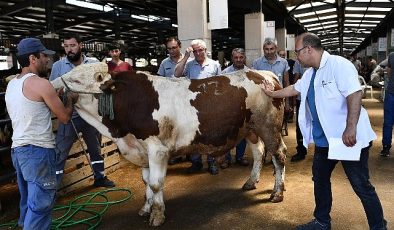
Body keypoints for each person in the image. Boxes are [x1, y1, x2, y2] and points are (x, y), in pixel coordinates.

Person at [261, 32, 387, 230]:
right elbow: (295, 88)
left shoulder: (339, 65)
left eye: (297, 52)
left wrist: (350, 127)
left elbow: (354, 94)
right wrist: (272, 93)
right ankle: (321, 221)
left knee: (360, 184)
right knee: (320, 179)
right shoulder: (311, 72)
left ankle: (378, 226)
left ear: (308, 49)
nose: (296, 57)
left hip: (347, 139)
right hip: (324, 141)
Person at [5, 38, 78, 229]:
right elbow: (64, 118)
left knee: (28, 201)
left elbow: (31, 108)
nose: (48, 60)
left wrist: (54, 96)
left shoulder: (12, 85)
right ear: (32, 58)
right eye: (44, 56)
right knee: (41, 206)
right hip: (38, 152)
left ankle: (24, 224)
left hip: (18, 151)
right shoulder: (41, 84)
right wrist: (70, 100)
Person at [50, 34, 115, 188]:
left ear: (81, 45)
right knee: (60, 152)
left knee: (95, 149)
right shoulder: (58, 67)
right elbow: (52, 90)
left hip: (91, 116)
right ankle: (53, 186)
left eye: (72, 45)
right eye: (66, 46)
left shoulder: (94, 64)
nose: (69, 49)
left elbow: (104, 86)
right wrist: (61, 94)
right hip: (69, 116)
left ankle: (100, 177)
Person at [174, 39, 221, 175]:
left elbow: (221, 85)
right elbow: (177, 74)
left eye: (201, 50)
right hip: (193, 107)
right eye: (195, 51)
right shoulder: (188, 65)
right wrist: (186, 56)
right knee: (194, 135)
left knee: (211, 135)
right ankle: (196, 162)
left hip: (211, 105)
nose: (198, 53)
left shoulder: (215, 65)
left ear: (206, 50)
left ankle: (212, 162)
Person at [157, 37, 185, 165]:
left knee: (189, 127)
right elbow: (160, 81)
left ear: (179, 46)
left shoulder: (189, 61)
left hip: (187, 102)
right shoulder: (164, 63)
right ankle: (176, 154)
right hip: (171, 102)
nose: (172, 51)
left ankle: (193, 156)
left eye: (174, 47)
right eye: (169, 48)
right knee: (172, 128)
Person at [220, 48, 249, 169]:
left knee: (242, 133)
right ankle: (226, 158)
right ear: (232, 58)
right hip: (228, 109)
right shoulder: (225, 73)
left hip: (244, 108)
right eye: (236, 57)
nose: (238, 60)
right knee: (228, 134)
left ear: (244, 58)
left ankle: (240, 156)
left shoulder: (250, 73)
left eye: (241, 57)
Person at [252, 37, 291, 112]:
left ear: (276, 48)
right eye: (266, 49)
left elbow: (286, 83)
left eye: (271, 49)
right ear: (263, 49)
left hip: (279, 98)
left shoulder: (283, 63)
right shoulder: (256, 63)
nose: (269, 52)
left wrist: (287, 102)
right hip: (262, 100)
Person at [290, 60, 309, 162]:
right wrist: (293, 97)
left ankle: (324, 151)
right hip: (301, 98)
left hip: (318, 100)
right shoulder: (299, 61)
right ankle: (301, 151)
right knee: (300, 124)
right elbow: (296, 78)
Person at [380, 52, 394, 157]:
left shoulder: (392, 55)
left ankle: (386, 147)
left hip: (391, 93)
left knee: (388, 122)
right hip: (391, 93)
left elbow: (388, 72)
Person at [278, 49, 296, 122]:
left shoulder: (290, 62)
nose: (282, 56)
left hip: (288, 85)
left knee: (289, 102)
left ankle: (289, 117)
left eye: (283, 55)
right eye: (280, 55)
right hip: (278, 87)